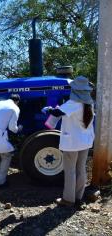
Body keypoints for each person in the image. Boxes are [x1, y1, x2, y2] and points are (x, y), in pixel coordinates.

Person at [42, 76, 95, 207]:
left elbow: (56, 112)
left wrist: (48, 109)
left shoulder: (72, 104)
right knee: (81, 169)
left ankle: (68, 199)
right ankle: (78, 197)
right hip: (85, 141)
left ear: (75, 90)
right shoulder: (89, 103)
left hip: (72, 143)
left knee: (70, 170)